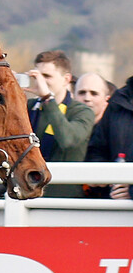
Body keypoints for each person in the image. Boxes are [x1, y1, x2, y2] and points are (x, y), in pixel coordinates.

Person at [24, 50, 93, 197]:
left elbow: (67, 140)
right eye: (37, 76)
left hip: (64, 199)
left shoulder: (82, 111)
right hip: (27, 193)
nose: (40, 81)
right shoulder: (27, 107)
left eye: (47, 76)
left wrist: (48, 99)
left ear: (66, 79)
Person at [85, 76, 133, 200]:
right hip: (113, 204)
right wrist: (104, 176)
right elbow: (97, 149)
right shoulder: (119, 100)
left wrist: (131, 191)